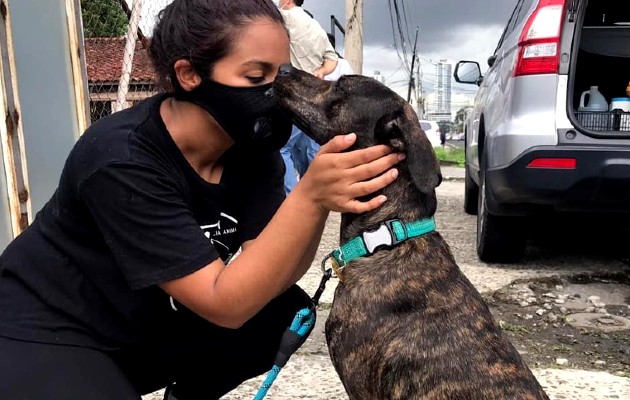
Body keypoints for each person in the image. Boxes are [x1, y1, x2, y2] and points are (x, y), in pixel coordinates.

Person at [0, 1, 403, 399]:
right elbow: (224, 303)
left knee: (282, 313)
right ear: (190, 74)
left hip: (138, 325)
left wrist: (318, 200)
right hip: (45, 328)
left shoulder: (250, 150)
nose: (276, 92)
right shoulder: (121, 159)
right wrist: (311, 196)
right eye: (255, 75)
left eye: (281, 74)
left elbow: (275, 271)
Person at [276, 0, 339, 194]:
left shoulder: (283, 16)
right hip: (315, 98)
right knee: (308, 151)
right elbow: (332, 59)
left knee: (282, 148)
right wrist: (320, 71)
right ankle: (314, 195)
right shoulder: (315, 26)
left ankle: (294, 197)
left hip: (293, 93)